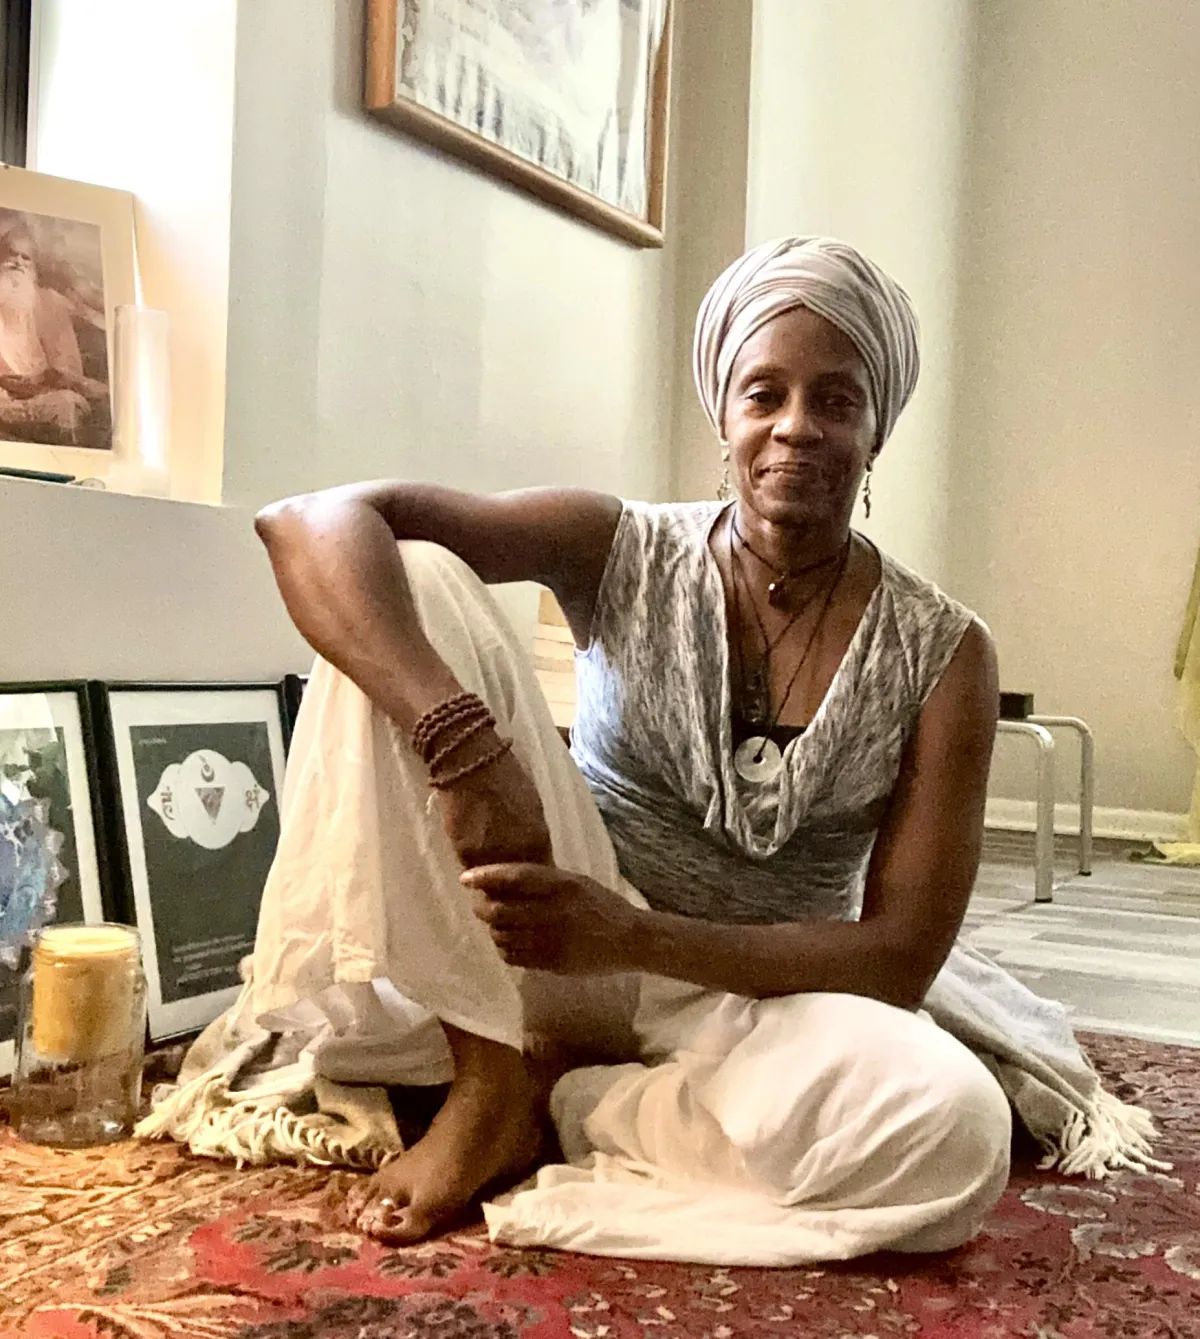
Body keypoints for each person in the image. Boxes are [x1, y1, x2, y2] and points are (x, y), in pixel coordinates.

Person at [148, 237, 1161, 1267]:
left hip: (762, 998)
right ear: (724, 412)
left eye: (836, 400)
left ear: (877, 428)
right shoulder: (619, 545)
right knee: (414, 574)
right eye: (764, 394)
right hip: (542, 949)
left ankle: (576, 1105)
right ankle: (491, 1074)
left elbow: (897, 959)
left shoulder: (944, 651)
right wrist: (466, 750)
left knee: (954, 1131)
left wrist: (632, 936)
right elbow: (311, 521)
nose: (796, 426)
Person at [0, 221, 109, 448]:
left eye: (26, 257)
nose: (18, 262)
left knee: (66, 405)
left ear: (35, 269)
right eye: (11, 254)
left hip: (43, 393)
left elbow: (66, 370)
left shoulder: (50, 303)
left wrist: (41, 379)